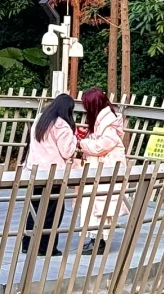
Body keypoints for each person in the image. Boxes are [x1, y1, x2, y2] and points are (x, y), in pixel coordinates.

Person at [22, 93, 77, 255]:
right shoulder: (61, 126)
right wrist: (75, 138)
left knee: (35, 209)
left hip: (35, 171)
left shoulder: (40, 119)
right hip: (53, 175)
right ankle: (46, 247)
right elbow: (67, 151)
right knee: (53, 212)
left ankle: (28, 244)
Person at [76, 87, 128, 252]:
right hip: (100, 171)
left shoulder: (109, 126)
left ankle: (99, 241)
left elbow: (99, 147)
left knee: (100, 208)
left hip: (106, 172)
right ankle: (95, 239)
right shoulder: (104, 122)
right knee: (94, 206)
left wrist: (82, 143)